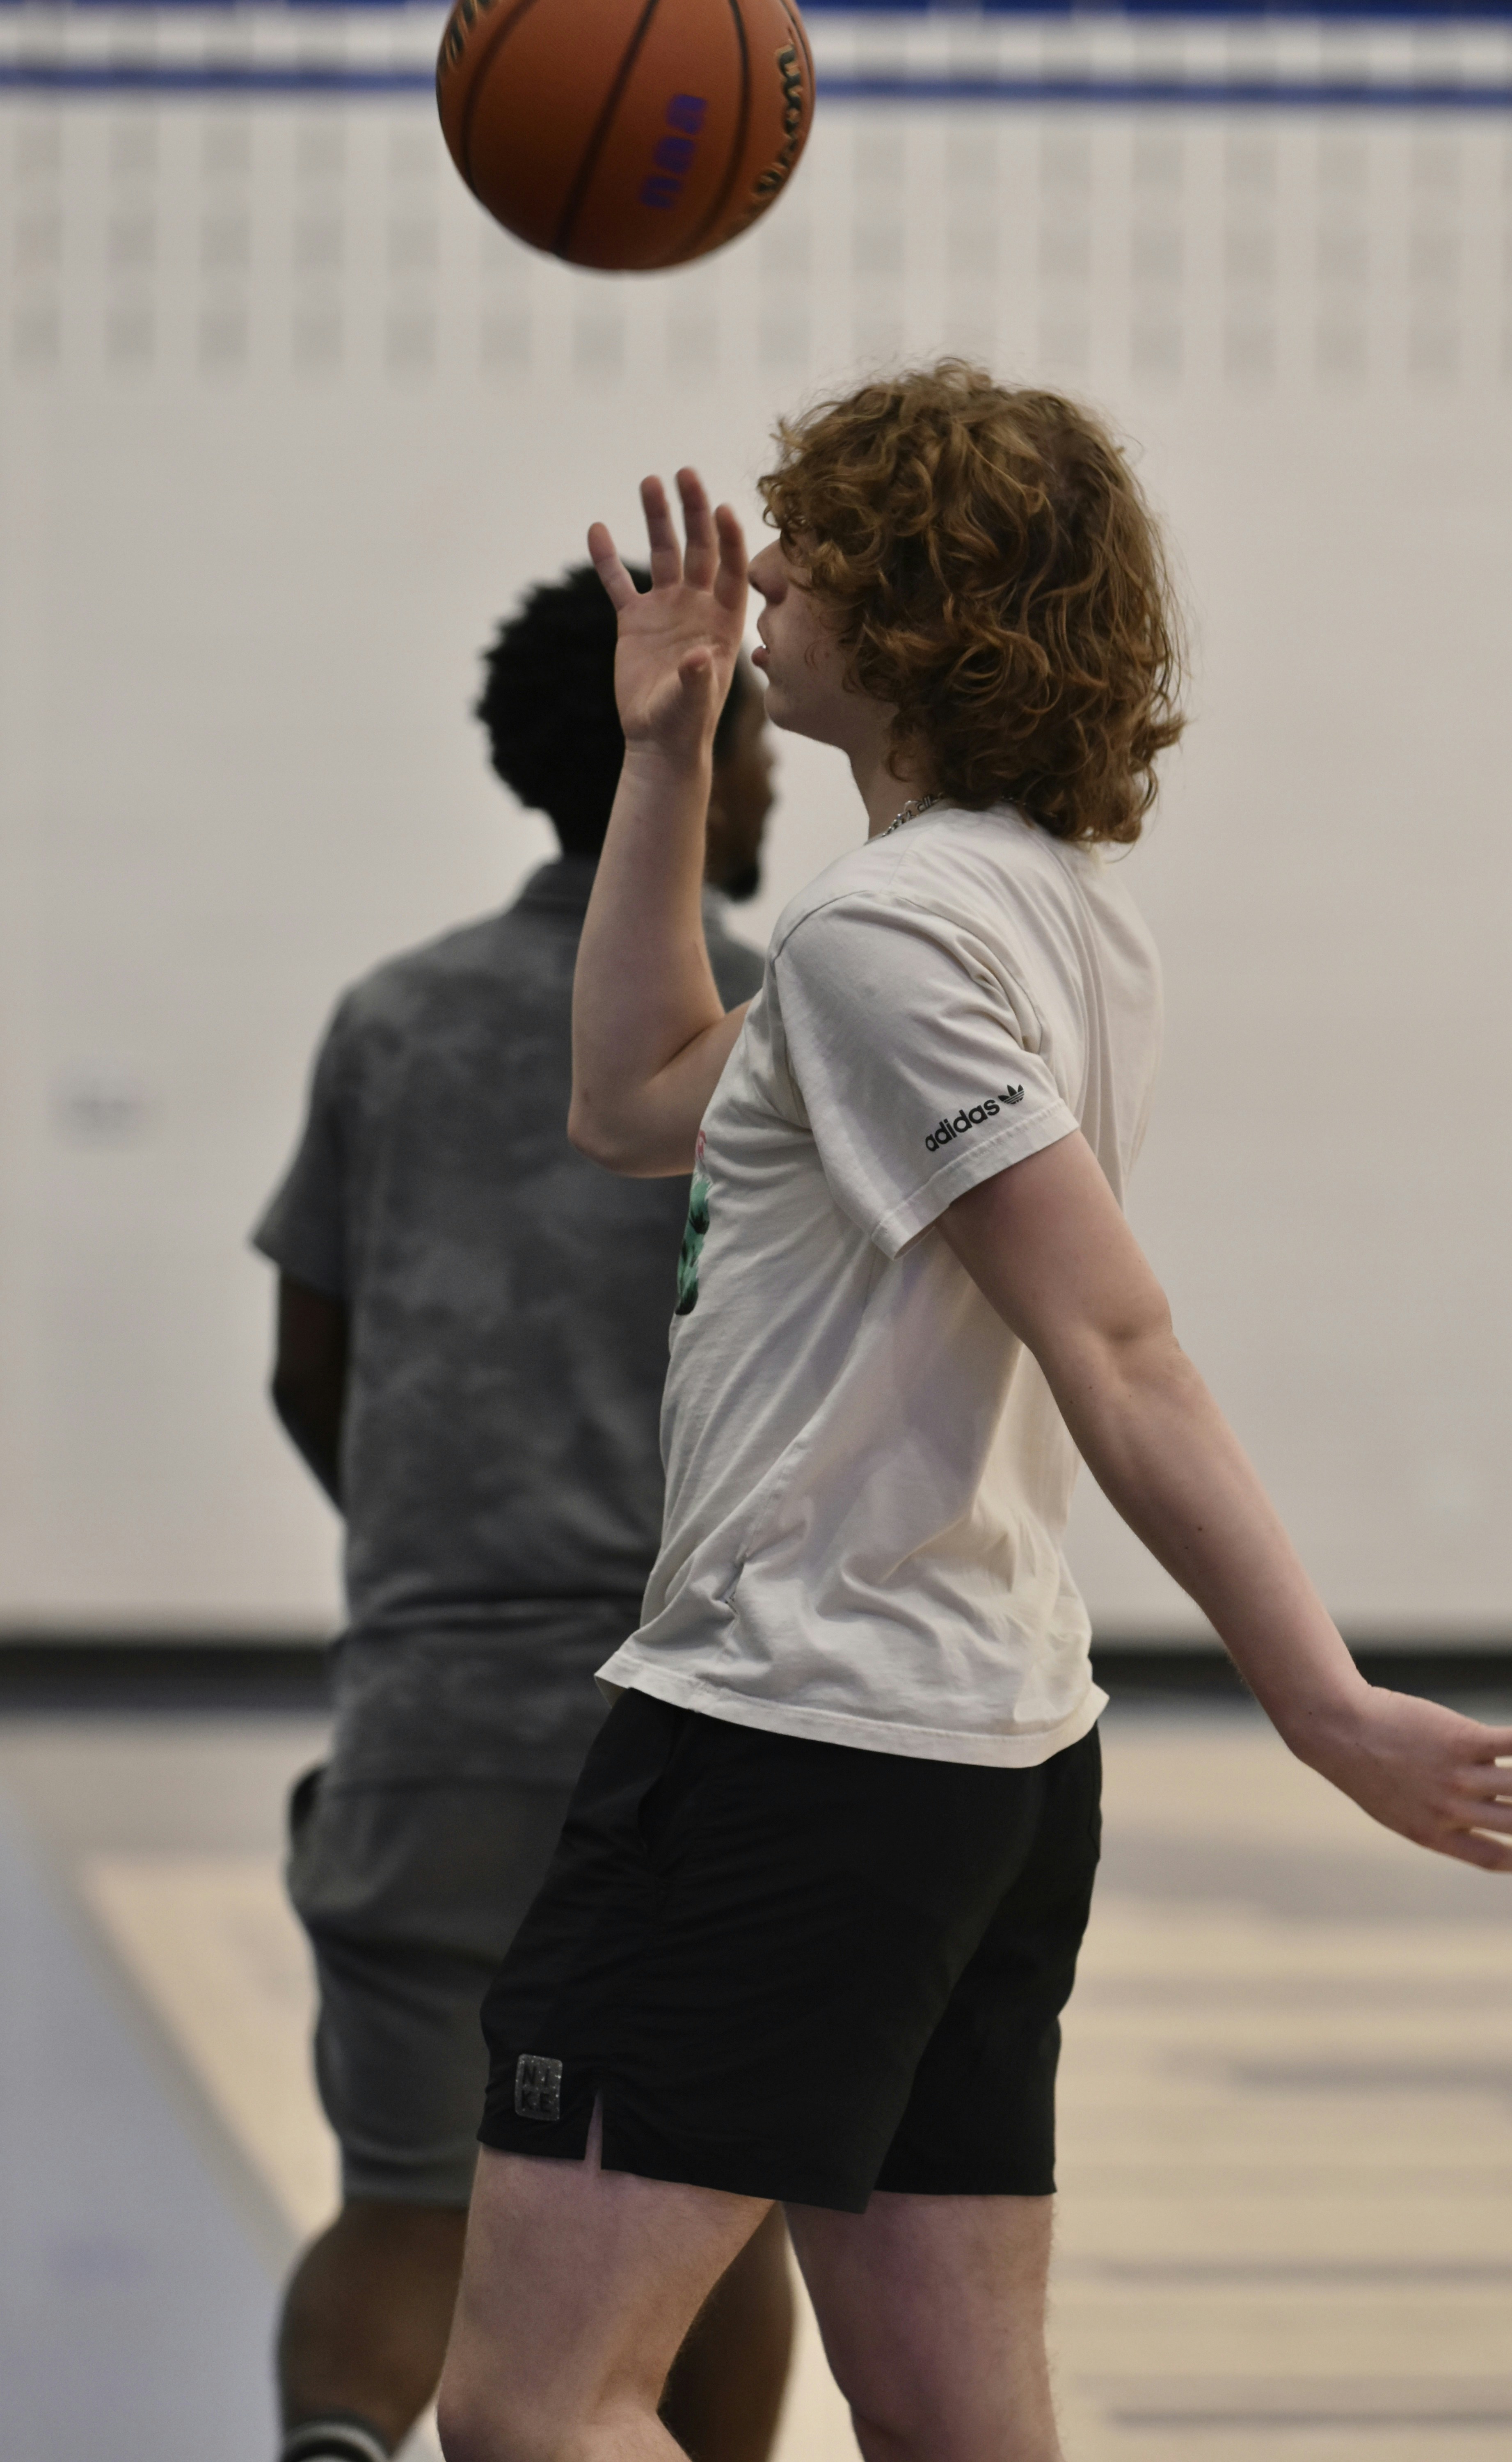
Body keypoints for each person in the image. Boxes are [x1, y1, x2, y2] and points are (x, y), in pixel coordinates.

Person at [434, 365, 1512, 2462]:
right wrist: (664, 749)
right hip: (980, 1757)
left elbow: (1120, 1343)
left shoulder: (893, 933)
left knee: (537, 2407)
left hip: (794, 1733)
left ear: (915, 613)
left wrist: (1321, 1700)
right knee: (962, 2433)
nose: (765, 576)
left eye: (810, 553)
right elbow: (628, 1104)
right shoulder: (1042, 909)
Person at [253, 566, 793, 2462]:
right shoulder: (790, 1012)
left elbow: (306, 1364)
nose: (774, 777)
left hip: (428, 1715)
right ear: (692, 756)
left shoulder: (386, 1022)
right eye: (751, 737)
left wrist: (428, 1569)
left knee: (408, 2196)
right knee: (706, 2216)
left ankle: (332, 2444)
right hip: (700, 1722)